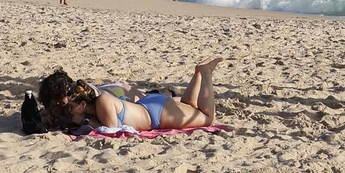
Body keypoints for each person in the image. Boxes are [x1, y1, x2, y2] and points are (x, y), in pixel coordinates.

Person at [38, 58, 222, 132]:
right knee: (189, 105)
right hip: (150, 106)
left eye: (67, 105)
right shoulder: (86, 94)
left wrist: (84, 121)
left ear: (82, 104)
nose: (66, 108)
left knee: (208, 118)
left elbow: (111, 129)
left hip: (155, 114)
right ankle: (198, 74)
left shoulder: (101, 100)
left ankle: (205, 73)